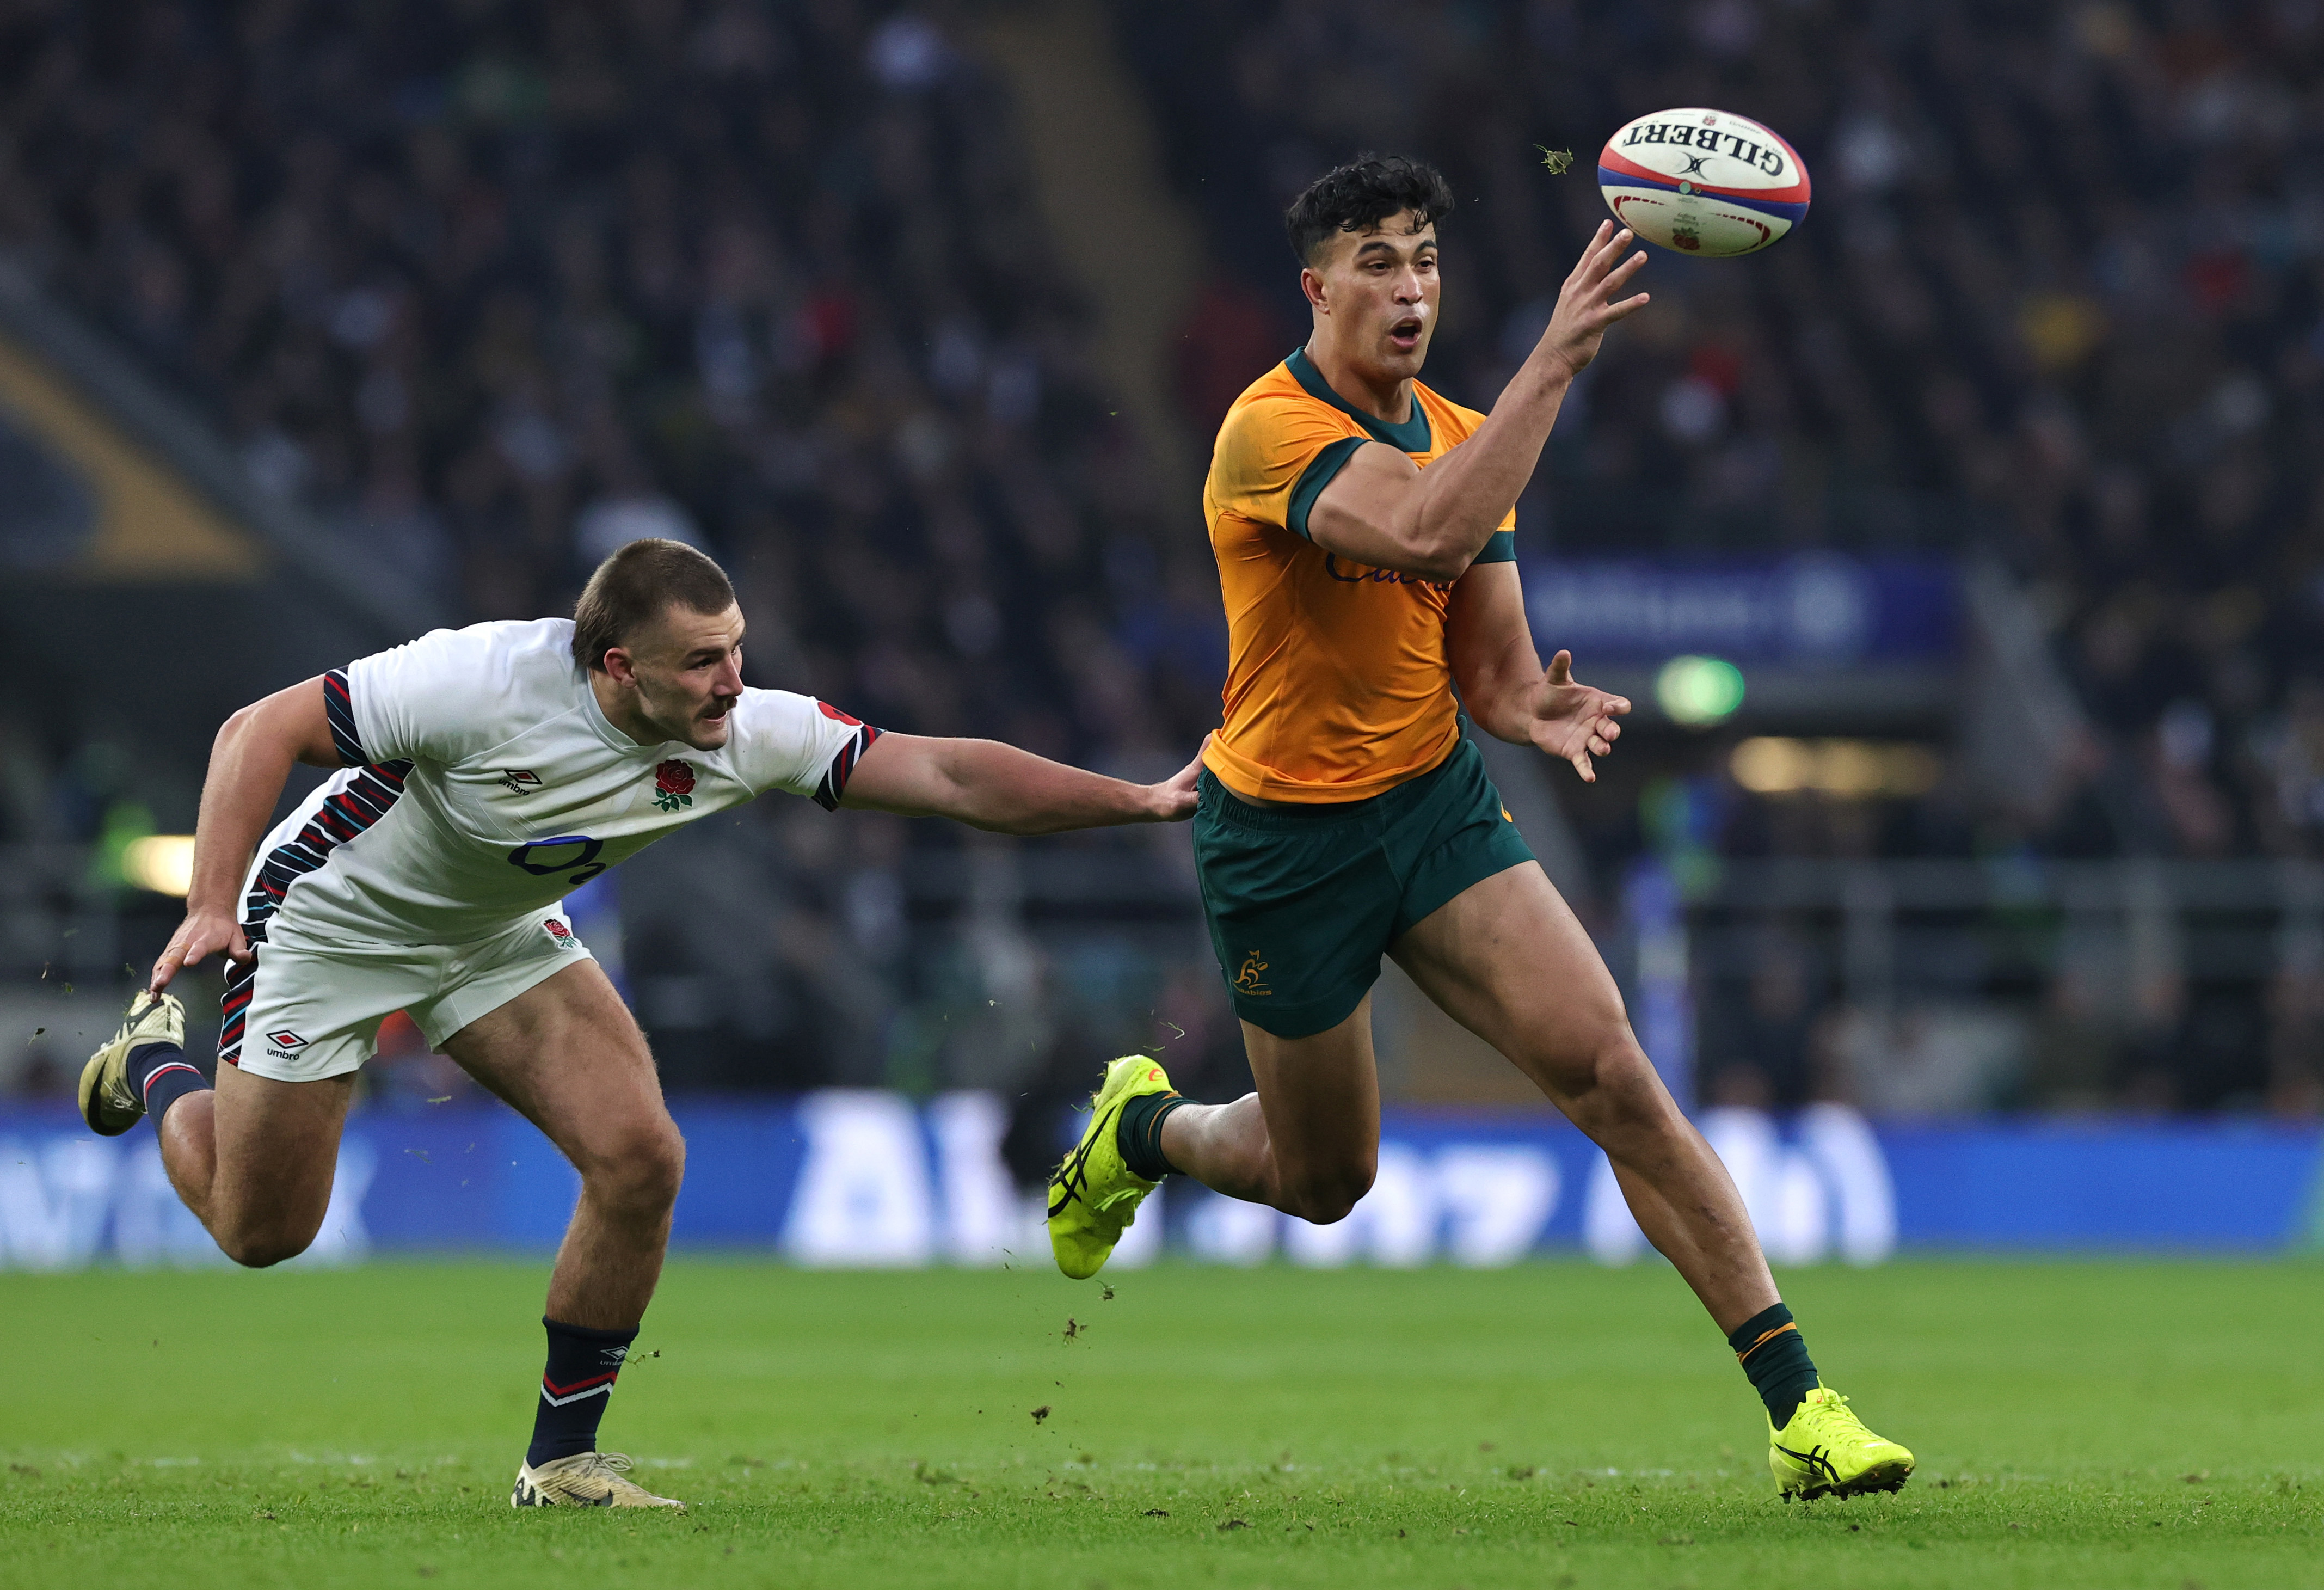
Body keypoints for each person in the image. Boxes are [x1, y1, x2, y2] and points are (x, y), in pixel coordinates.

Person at [1046, 156, 1914, 1501]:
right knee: (1321, 1179)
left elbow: (1490, 666)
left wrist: (1532, 709)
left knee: (1611, 1073)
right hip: (1282, 845)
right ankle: (1144, 1129)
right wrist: (1553, 363)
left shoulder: (1467, 430)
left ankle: (1802, 1410)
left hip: (1432, 807)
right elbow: (1423, 535)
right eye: (1377, 263)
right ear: (1316, 287)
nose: (1409, 289)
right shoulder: (1264, 431)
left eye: (1426, 261)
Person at [79, 538, 1201, 1509]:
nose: (732, 683)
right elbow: (257, 728)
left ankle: (560, 1463)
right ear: (619, 667)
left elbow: (950, 777)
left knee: (639, 1157)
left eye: (737, 650)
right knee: (262, 1233)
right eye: (703, 661)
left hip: (494, 932)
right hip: (332, 922)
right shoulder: (480, 678)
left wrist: (1136, 798)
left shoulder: (745, 730)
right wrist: (212, 902)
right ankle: (158, 1063)